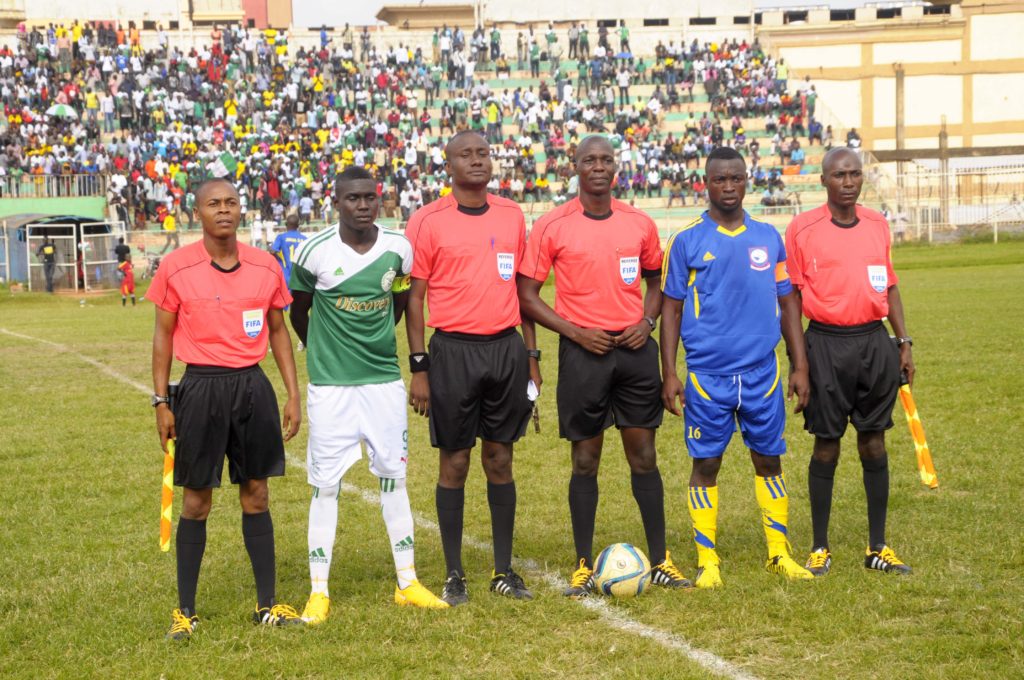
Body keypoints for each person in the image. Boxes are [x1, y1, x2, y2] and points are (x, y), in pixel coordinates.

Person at [517, 135, 691, 598]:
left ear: (617, 166)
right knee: (585, 459)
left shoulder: (638, 223)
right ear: (574, 167)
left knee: (644, 455)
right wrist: (575, 332)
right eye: (589, 160)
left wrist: (647, 320)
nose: (598, 166)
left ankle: (660, 561)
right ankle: (581, 564)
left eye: (606, 159)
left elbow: (657, 283)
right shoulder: (553, 225)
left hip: (634, 352)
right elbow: (527, 296)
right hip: (583, 353)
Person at [288, 167, 447, 623]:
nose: (363, 205)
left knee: (393, 479)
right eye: (353, 198)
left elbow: (400, 301)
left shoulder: (398, 249)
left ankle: (408, 581)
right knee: (326, 485)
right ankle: (319, 591)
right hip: (331, 386)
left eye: (370, 198)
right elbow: (301, 310)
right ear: (336, 202)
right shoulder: (312, 252)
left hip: (383, 382)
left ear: (380, 201)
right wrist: (321, 347)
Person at [148, 178, 304, 640]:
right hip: (199, 388)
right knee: (197, 500)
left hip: (252, 386)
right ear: (198, 213)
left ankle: (266, 604)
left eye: (231, 202)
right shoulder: (175, 267)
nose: (224, 210)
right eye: (213, 204)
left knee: (257, 493)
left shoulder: (265, 264)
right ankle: (185, 611)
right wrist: (160, 400)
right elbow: (161, 336)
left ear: (242, 209)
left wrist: (292, 393)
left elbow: (278, 331)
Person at [660, 146, 814, 589]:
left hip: (762, 374)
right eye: (719, 180)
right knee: (706, 463)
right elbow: (669, 310)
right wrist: (669, 372)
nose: (728, 187)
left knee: (769, 459)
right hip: (707, 377)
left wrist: (798, 364)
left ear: (747, 181)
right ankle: (708, 560)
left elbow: (787, 301)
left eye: (736, 179)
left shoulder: (768, 237)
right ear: (705, 184)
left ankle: (778, 553)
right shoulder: (688, 239)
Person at [405, 130, 538, 605]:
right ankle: (454, 572)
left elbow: (523, 293)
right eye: (467, 154)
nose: (477, 160)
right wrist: (419, 367)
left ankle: (504, 570)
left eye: (483, 152)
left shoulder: (511, 214)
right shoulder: (426, 220)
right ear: (450, 164)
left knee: (500, 458)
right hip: (452, 353)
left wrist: (531, 356)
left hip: (504, 350)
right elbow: (415, 299)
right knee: (455, 461)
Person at [785, 147, 915, 576]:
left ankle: (878, 546)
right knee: (827, 444)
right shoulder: (802, 229)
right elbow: (792, 299)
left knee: (874, 440)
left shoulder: (877, 224)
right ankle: (819, 546)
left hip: (873, 343)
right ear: (823, 180)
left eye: (855, 174)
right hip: (824, 344)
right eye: (839, 174)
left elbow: (890, 286)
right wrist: (799, 365)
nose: (848, 181)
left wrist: (903, 342)